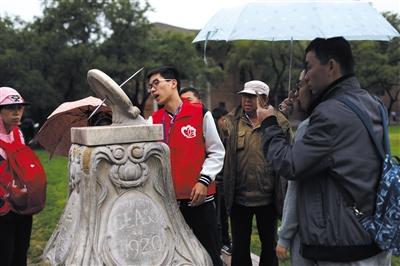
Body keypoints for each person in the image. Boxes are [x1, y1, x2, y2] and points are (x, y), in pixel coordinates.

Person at [257, 37, 391, 265]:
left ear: (331, 66)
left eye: (309, 66)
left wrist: (269, 124)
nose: (306, 76)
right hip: (372, 233)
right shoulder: (371, 102)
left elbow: (290, 164)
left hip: (342, 244)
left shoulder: (330, 113)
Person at [147, 66, 225, 266]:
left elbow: (217, 152)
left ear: (173, 83)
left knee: (210, 256)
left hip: (200, 201)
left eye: (156, 83)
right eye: (150, 87)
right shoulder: (152, 122)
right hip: (167, 204)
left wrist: (203, 180)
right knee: (174, 257)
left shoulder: (201, 113)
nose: (153, 90)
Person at [221, 80, 291, 266]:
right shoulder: (230, 123)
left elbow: (286, 160)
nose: (246, 100)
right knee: (240, 250)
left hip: (268, 200)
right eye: (244, 96)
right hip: (238, 200)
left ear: (264, 99)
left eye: (252, 96)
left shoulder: (279, 124)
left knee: (269, 249)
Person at [274, 70, 314, 266]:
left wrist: (285, 236)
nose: (297, 93)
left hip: (311, 233)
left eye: (300, 86)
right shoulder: (370, 111)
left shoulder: (310, 127)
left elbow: (295, 186)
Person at [0, 87, 32, 266]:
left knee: (21, 252)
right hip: (2, 210)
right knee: (4, 254)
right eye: (10, 107)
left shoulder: (18, 134)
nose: (17, 112)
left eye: (20, 107)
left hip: (22, 205)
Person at [211, 104, 232, 256]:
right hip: (217, 182)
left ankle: (225, 242)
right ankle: (221, 243)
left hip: (224, 182)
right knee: (218, 217)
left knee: (223, 216)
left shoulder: (225, 134)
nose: (227, 122)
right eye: (225, 119)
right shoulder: (216, 136)